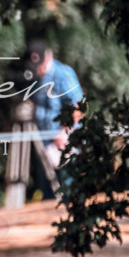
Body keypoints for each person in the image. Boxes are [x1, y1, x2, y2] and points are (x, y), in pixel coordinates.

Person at [25, 40, 84, 199]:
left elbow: (78, 106)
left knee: (69, 193)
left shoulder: (62, 74)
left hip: (64, 143)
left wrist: (64, 132)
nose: (39, 68)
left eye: (41, 63)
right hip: (46, 145)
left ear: (48, 56)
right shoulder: (38, 77)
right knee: (48, 197)